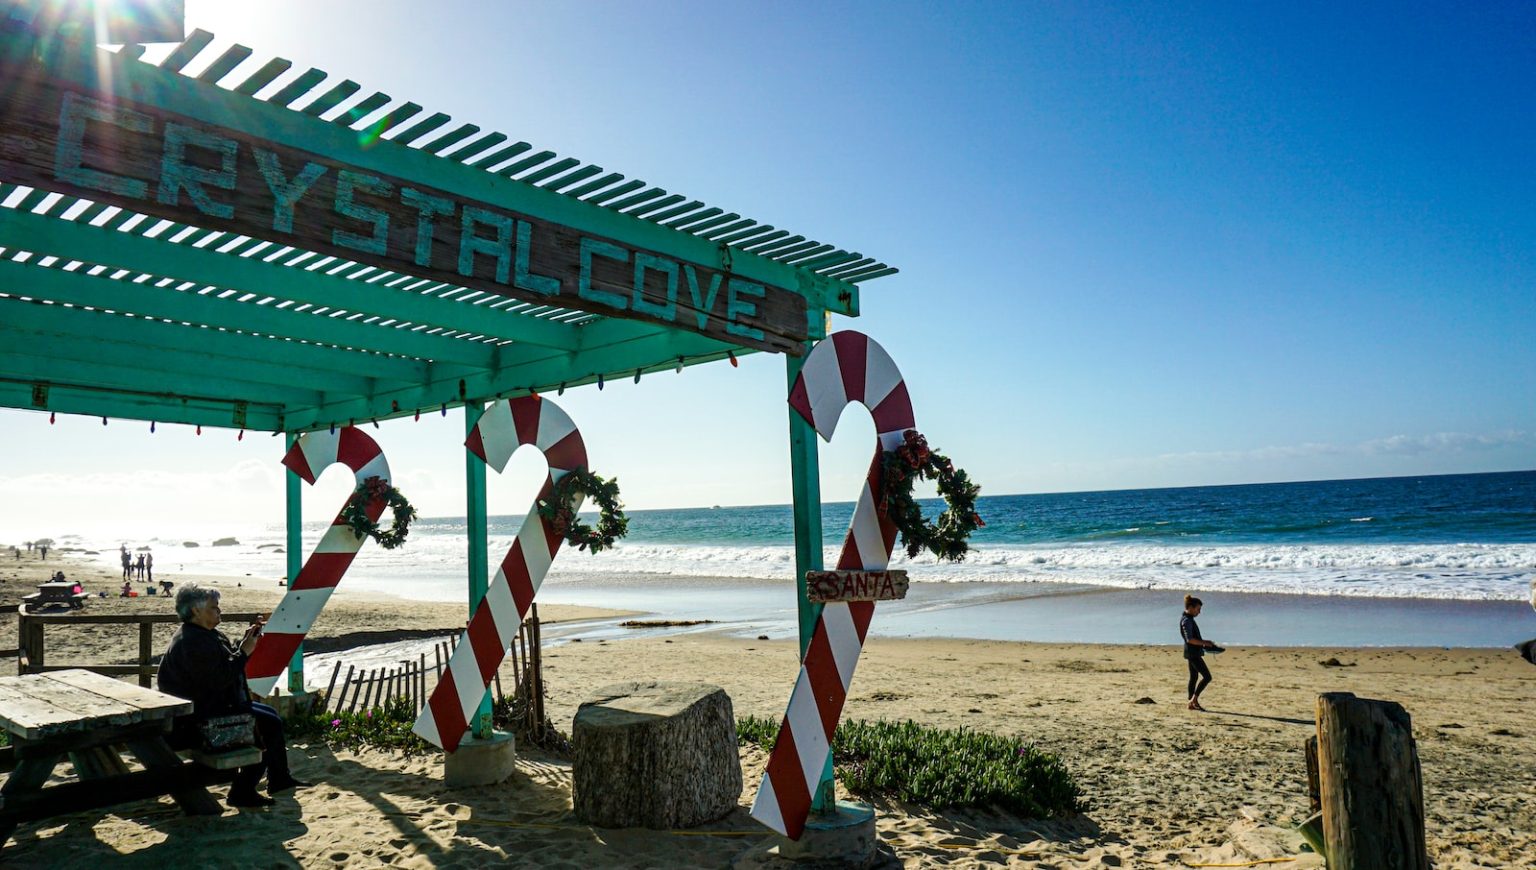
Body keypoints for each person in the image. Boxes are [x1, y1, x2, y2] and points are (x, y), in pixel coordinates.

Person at [158, 583, 307, 807]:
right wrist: (244, 652)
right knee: (264, 726)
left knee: (270, 716)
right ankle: (243, 790)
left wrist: (243, 646)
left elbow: (222, 666)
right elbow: (218, 680)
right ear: (196, 611)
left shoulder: (201, 634)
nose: (219, 611)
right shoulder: (193, 642)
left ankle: (279, 778)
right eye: (214, 607)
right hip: (197, 722)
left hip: (206, 709)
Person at [1180, 594, 1218, 711]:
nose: (1199, 612)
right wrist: (1205, 642)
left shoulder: (1189, 619)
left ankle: (1191, 702)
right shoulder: (1186, 621)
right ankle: (1193, 700)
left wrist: (1205, 644)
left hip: (1191, 652)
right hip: (1193, 654)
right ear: (1191, 608)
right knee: (1207, 677)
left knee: (1194, 677)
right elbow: (1190, 639)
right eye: (1198, 609)